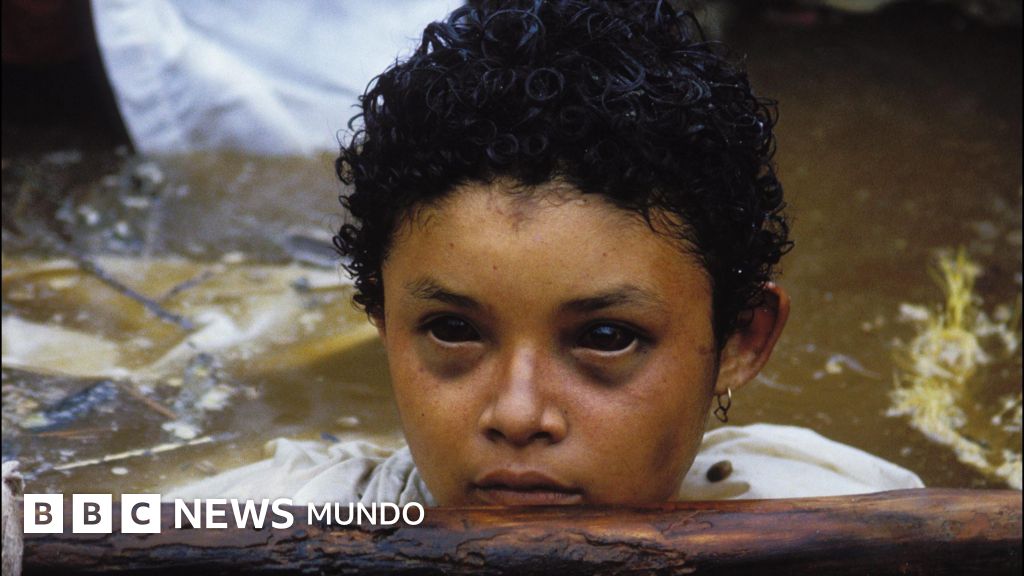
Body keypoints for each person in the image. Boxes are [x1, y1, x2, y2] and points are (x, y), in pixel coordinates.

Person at [169, 0, 923, 505]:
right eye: (452, 329)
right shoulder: (246, 527)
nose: (518, 414)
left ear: (739, 341)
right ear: (381, 318)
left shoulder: (858, 521)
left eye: (606, 337)